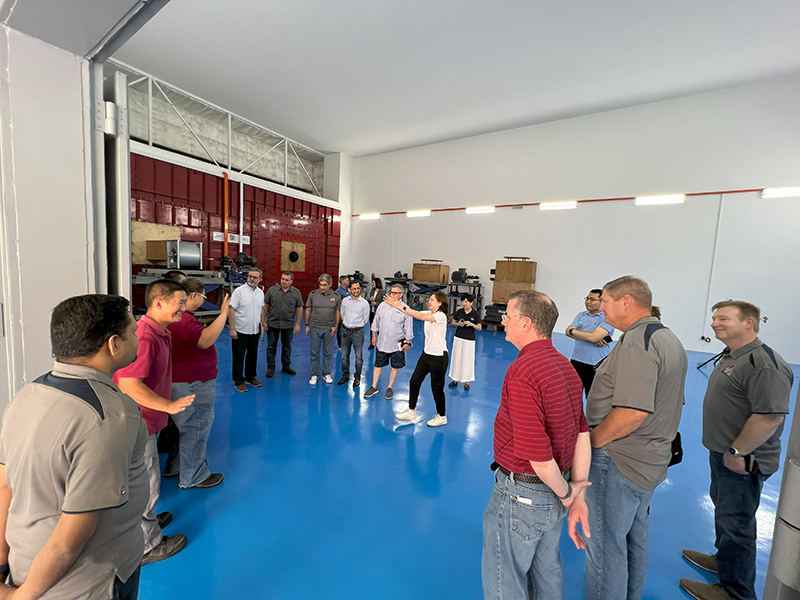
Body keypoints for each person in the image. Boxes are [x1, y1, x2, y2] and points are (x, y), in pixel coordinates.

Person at [0, 295, 148, 600]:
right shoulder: (111, 415)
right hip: (88, 584)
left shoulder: (26, 396)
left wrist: (2, 564)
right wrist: (21, 597)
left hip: (24, 564)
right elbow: (69, 540)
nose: (137, 338)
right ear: (113, 344)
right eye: (133, 332)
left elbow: (5, 487)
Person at [481, 290, 591, 599]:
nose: (502, 322)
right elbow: (583, 431)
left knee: (506, 579)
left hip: (523, 495)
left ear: (526, 323)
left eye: (508, 316)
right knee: (546, 570)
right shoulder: (565, 366)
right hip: (555, 494)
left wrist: (569, 496)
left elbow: (539, 458)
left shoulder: (523, 371)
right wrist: (575, 490)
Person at [680, 301, 793, 600]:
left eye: (724, 318)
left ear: (749, 323)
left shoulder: (763, 363)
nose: (715, 323)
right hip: (724, 454)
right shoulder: (735, 356)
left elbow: (770, 416)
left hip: (742, 459)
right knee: (725, 510)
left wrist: (737, 450)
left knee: (737, 523)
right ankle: (724, 561)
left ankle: (735, 592)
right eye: (715, 317)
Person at [584, 275, 687, 600]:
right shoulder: (667, 337)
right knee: (632, 538)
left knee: (603, 546)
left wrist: (593, 442)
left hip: (619, 461)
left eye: (606, 302)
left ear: (626, 301)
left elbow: (632, 412)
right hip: (650, 460)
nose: (601, 308)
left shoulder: (637, 342)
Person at [115, 279, 195, 565]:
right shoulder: (145, 335)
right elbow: (128, 383)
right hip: (140, 423)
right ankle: (147, 544)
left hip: (149, 421)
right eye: (180, 303)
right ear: (158, 303)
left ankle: (145, 522)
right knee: (145, 483)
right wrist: (169, 406)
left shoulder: (159, 331)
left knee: (146, 481)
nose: (183, 309)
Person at [165, 278, 230, 489]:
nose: (203, 301)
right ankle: (193, 476)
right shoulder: (184, 320)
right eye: (203, 296)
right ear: (193, 296)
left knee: (182, 427)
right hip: (192, 383)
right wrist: (223, 315)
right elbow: (205, 339)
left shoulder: (181, 319)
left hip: (184, 380)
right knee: (196, 427)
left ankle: (178, 466)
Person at [386, 291, 450, 427]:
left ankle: (442, 416)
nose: (429, 301)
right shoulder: (430, 313)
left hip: (439, 357)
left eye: (432, 299)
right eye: (430, 299)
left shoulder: (441, 316)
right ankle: (411, 410)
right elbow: (412, 313)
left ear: (440, 303)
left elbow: (420, 316)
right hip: (426, 355)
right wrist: (397, 305)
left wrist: (400, 306)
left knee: (436, 388)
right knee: (414, 381)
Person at [364, 284, 414, 400]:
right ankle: (374, 386)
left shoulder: (405, 309)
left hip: (396, 344)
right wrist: (373, 336)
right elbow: (376, 321)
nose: (392, 295)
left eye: (395, 293)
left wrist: (408, 342)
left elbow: (409, 328)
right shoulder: (383, 305)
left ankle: (390, 387)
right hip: (382, 342)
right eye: (391, 292)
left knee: (394, 366)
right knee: (378, 364)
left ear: (401, 295)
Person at [565, 288, 614, 396]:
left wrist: (576, 332)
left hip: (595, 364)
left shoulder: (608, 318)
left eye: (592, 299)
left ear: (602, 302)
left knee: (593, 397)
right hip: (576, 361)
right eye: (587, 298)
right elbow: (568, 331)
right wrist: (588, 335)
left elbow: (593, 337)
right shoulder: (581, 315)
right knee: (571, 395)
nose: (588, 302)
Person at [228, 267, 265, 392]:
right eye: (250, 276)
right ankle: (238, 380)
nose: (251, 279)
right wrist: (232, 328)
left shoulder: (260, 292)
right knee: (239, 356)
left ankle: (250, 377)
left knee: (252, 355)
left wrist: (263, 324)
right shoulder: (239, 292)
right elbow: (231, 309)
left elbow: (261, 309)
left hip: (255, 330)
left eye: (255, 277)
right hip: (240, 330)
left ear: (260, 279)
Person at [262, 271, 303, 378]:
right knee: (271, 347)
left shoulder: (296, 293)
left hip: (288, 325)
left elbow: (299, 308)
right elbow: (265, 305)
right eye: (282, 279)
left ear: (291, 281)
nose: (283, 282)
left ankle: (286, 366)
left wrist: (298, 324)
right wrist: (263, 321)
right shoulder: (272, 290)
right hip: (272, 324)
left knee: (287, 347)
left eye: (286, 280)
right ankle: (270, 368)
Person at [305, 273, 341, 385]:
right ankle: (315, 374)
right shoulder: (313, 295)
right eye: (320, 285)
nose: (322, 287)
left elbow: (338, 312)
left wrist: (335, 326)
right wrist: (306, 325)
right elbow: (308, 310)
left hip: (329, 329)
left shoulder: (336, 296)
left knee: (328, 353)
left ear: (330, 284)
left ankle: (326, 373)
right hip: (315, 328)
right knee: (314, 352)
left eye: (325, 285)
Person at [338, 279, 370, 388]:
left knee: (359, 357)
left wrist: (356, 326)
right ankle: (345, 375)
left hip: (358, 333)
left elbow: (366, 319)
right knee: (344, 357)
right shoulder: (345, 301)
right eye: (354, 288)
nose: (356, 291)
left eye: (358, 288)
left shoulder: (364, 303)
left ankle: (357, 377)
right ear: (349, 289)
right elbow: (342, 314)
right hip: (345, 332)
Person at [448, 293, 482, 391]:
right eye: (463, 301)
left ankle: (467, 381)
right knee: (456, 358)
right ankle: (455, 379)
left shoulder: (475, 314)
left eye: (466, 302)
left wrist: (471, 324)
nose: (464, 303)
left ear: (471, 303)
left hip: (469, 339)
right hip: (458, 337)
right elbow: (453, 322)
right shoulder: (459, 312)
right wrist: (458, 323)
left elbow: (479, 327)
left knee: (467, 359)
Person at [367, 277, 385, 349]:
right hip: (372, 312)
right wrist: (369, 300)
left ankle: (380, 343)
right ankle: (372, 343)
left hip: (378, 313)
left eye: (373, 283)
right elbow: (368, 300)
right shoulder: (372, 291)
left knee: (380, 329)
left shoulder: (382, 292)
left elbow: (384, 303)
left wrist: (376, 303)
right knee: (372, 328)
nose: (372, 284)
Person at [335, 275, 350, 348]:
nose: (348, 282)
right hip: (341, 313)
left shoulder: (348, 290)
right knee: (341, 329)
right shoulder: (338, 292)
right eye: (347, 280)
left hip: (348, 313)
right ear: (343, 282)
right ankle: (340, 344)